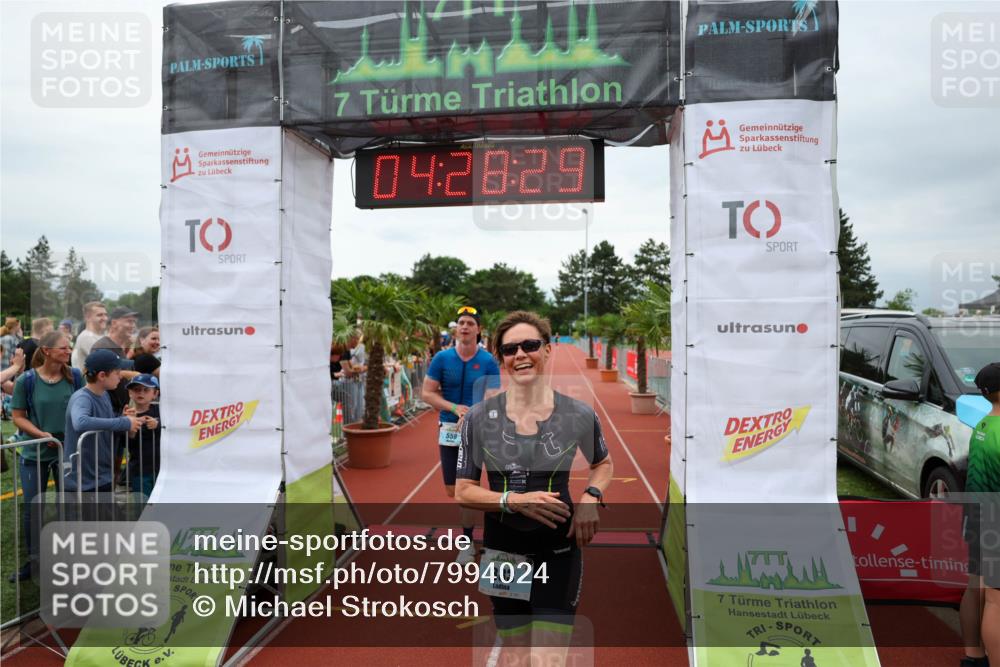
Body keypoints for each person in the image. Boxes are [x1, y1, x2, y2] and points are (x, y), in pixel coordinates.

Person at [454, 310, 612, 659]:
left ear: (547, 349)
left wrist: (591, 496)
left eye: (530, 345)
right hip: (502, 549)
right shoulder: (478, 419)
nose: (520, 354)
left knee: (549, 655)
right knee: (516, 649)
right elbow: (463, 490)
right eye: (510, 349)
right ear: (501, 359)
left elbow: (602, 464)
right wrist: (514, 501)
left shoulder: (578, 414)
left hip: (558, 549)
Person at [422, 306, 501, 564]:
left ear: (478, 329)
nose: (464, 327)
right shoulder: (441, 359)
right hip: (449, 430)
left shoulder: (488, 361)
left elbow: (494, 396)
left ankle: (470, 543)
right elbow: (427, 393)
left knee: (472, 488)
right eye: (461, 323)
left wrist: (474, 413)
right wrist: (454, 408)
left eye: (470, 323)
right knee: (454, 490)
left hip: (480, 431)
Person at [8, 331, 84, 582]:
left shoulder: (76, 376)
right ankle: (35, 561)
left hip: (67, 452)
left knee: (69, 506)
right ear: (47, 351)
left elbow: (84, 407)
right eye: (63, 347)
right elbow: (18, 416)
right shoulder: (27, 380)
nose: (69, 351)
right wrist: (42, 435)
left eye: (69, 347)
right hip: (34, 453)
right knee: (33, 509)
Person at [961, 362, 1000, 667]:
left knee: (975, 586)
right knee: (997, 600)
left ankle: (973, 655)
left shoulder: (983, 426)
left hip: (978, 515)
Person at [63, 349, 141, 499]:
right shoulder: (82, 398)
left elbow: (105, 422)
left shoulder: (104, 395)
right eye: (117, 373)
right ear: (102, 376)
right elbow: (80, 422)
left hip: (102, 475)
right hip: (83, 481)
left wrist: (123, 418)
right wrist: (122, 422)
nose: (121, 376)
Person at [91, 307, 139, 411]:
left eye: (134, 322)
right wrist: (135, 375)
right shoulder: (103, 346)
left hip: (121, 411)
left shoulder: (119, 348)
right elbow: (101, 375)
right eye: (129, 321)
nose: (133, 326)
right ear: (114, 323)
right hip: (107, 412)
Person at [122, 374, 161, 498]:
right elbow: (127, 442)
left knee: (161, 501)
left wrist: (158, 424)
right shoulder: (128, 414)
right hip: (140, 469)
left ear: (155, 393)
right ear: (130, 393)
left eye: (146, 390)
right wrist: (130, 424)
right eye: (136, 389)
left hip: (162, 468)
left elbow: (171, 424)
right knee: (142, 503)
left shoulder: (160, 410)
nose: (141, 393)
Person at [71, 301, 108, 371]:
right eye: (100, 315)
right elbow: (106, 364)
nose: (105, 318)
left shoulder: (103, 336)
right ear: (88, 318)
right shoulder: (86, 337)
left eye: (105, 315)